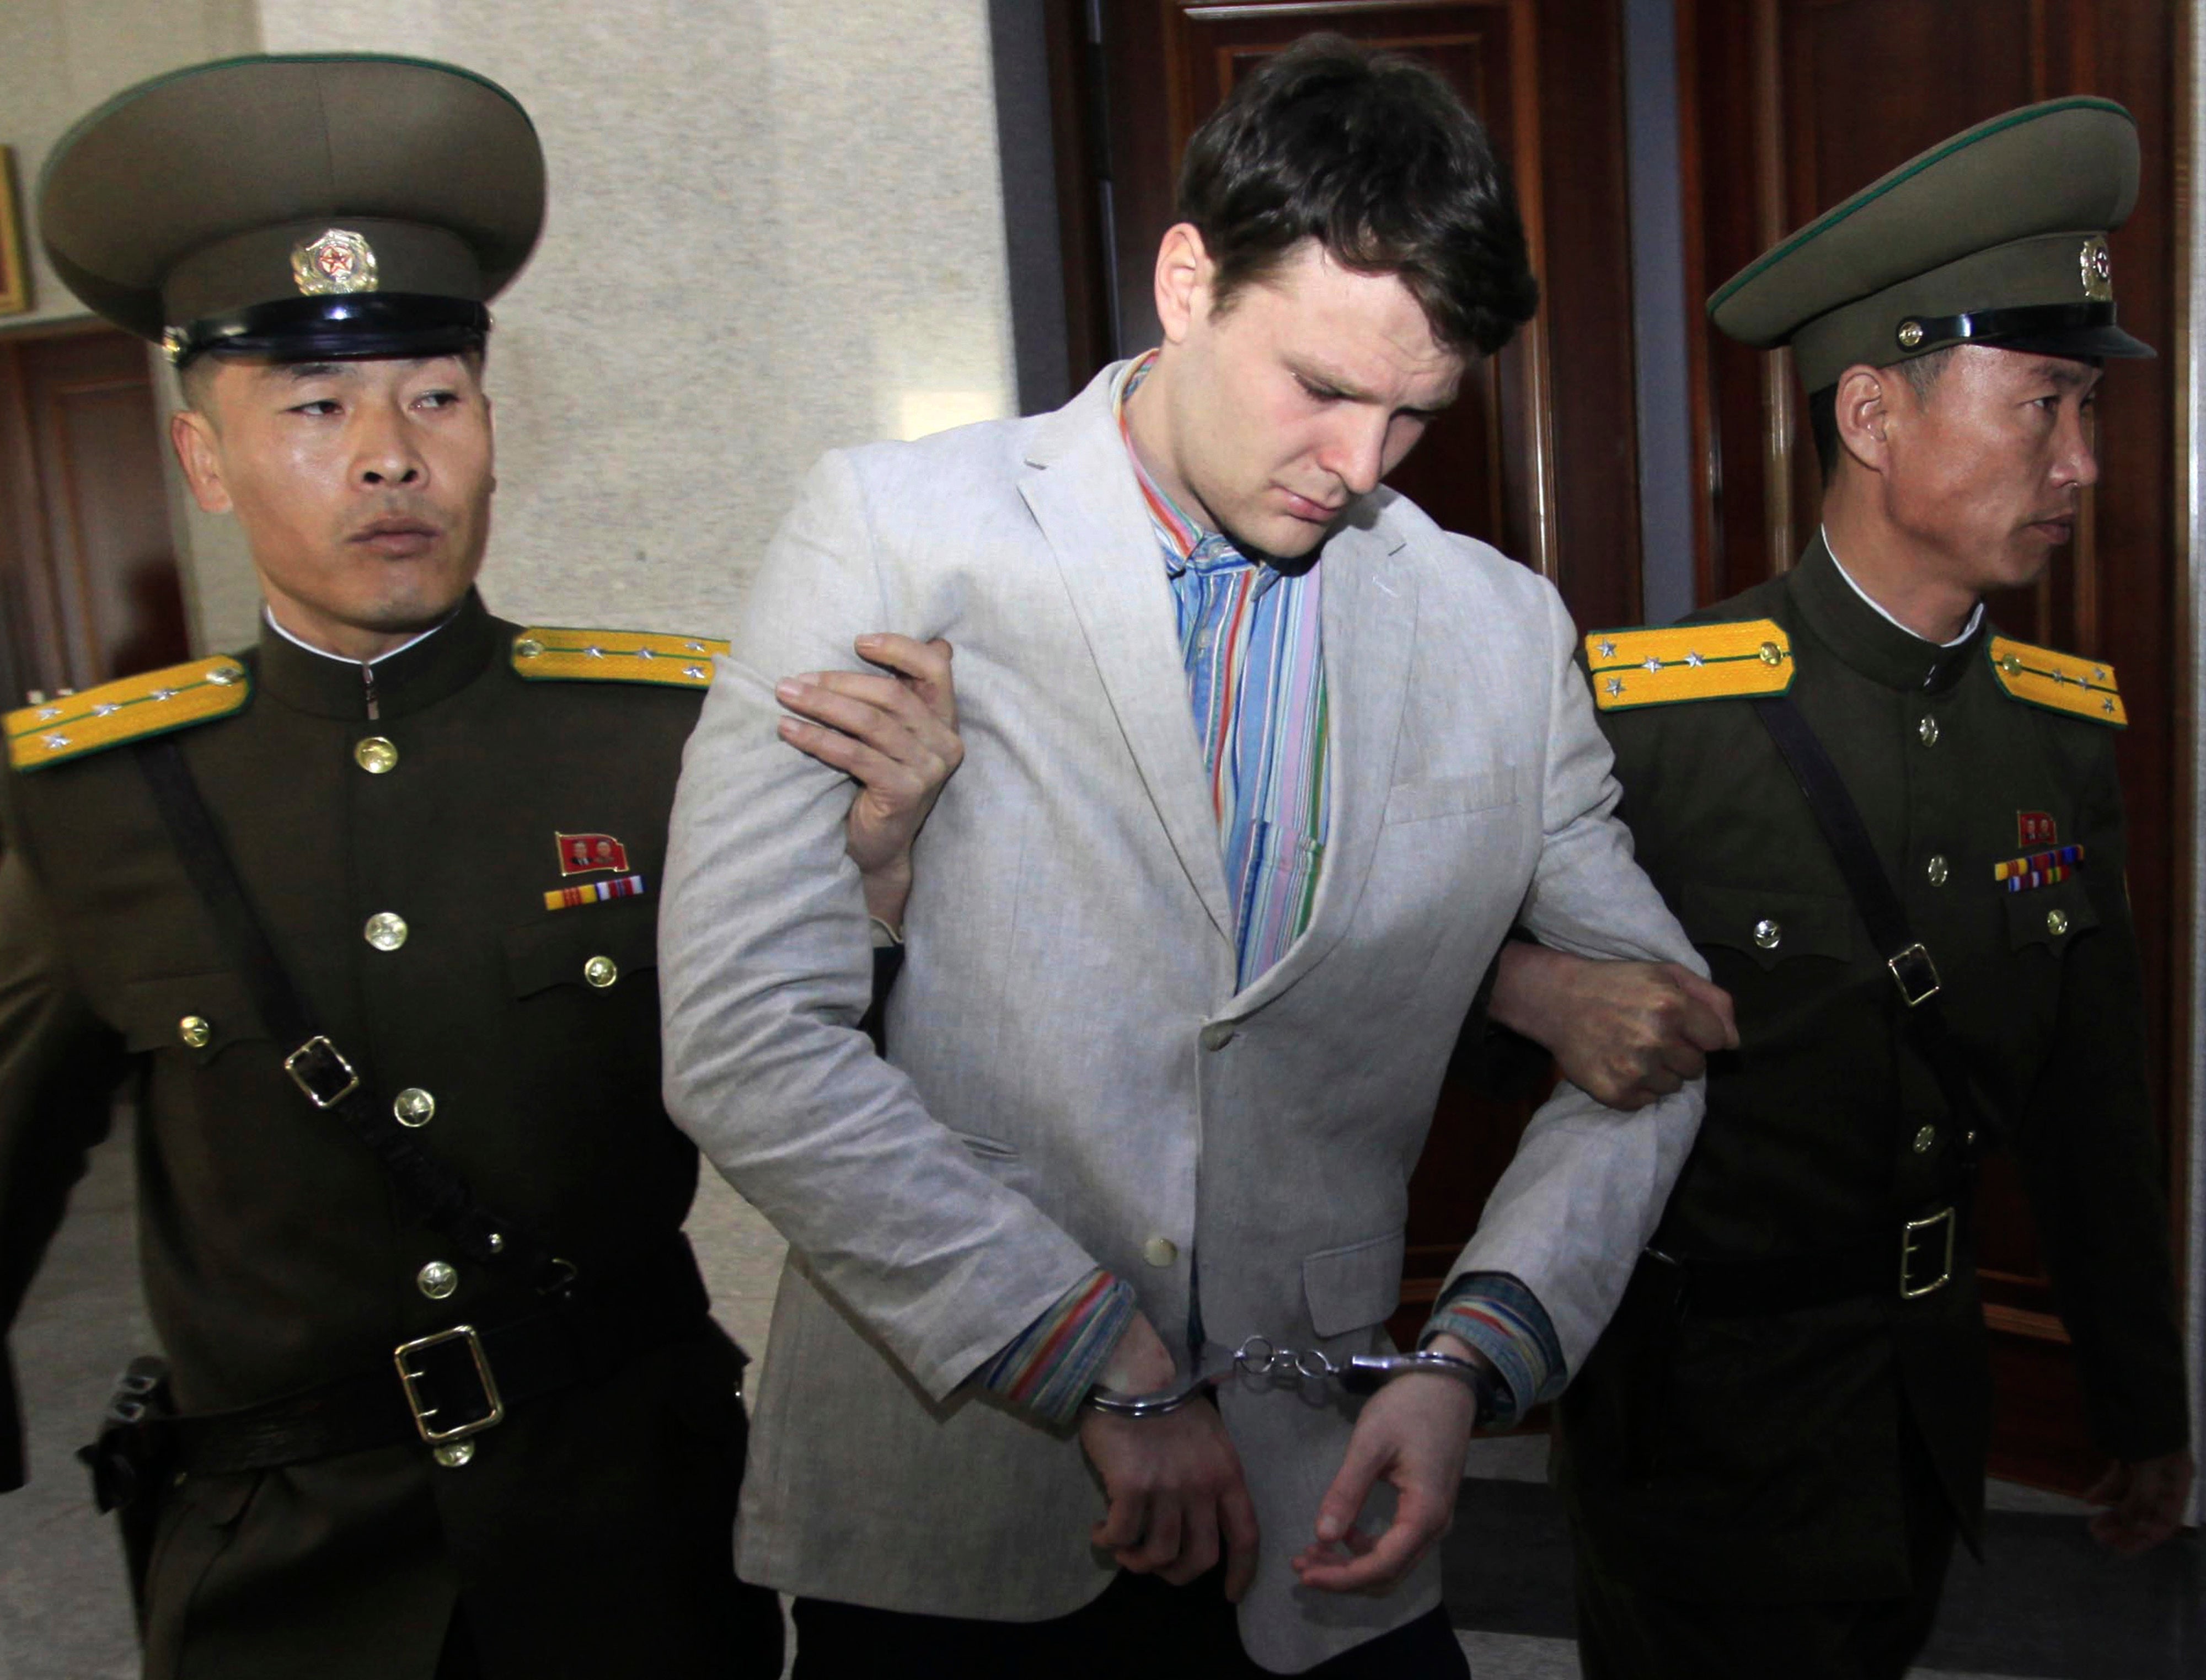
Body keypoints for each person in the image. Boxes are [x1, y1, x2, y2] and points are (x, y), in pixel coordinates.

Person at [657, 36, 1716, 1678]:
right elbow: (742, 1032)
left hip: (1328, 1516)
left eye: (1415, 416)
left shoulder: (1499, 632)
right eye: (1321, 386)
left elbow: (1660, 1032)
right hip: (960, 1500)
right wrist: (1100, 1360)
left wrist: (1473, 1358)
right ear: (1184, 282)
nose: (1359, 470)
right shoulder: (896, 532)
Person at [0, 54, 961, 1680]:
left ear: (493, 433)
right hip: (281, 1589)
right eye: (315, 408)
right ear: (204, 463)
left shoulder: (663, 740)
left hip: (626, 1541)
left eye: (435, 396)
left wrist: (879, 891)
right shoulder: (96, 803)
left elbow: (839, 1097)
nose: (391, 455)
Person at [1485, 97, 2195, 1679]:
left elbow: (2094, 1107)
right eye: (2046, 405)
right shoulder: (1650, 718)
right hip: (1697, 1431)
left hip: (1920, 1418)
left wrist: (2142, 1406)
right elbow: (1425, 997)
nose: (2081, 461)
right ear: (1875, 416)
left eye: (2090, 411)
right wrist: (1530, 993)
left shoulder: (2059, 731)